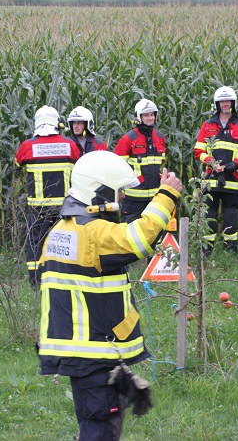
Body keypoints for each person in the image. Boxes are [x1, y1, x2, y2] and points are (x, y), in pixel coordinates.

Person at [37, 150, 183, 441]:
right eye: (116, 191)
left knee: (94, 424)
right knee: (100, 430)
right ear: (99, 191)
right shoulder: (94, 233)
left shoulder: (63, 229)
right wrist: (167, 195)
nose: (120, 198)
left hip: (82, 352)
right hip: (94, 353)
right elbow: (138, 239)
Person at [14, 105, 81, 288]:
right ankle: (65, 277)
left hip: (38, 207)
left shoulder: (28, 146)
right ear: (57, 123)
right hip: (65, 207)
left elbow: (17, 162)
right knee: (66, 242)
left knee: (35, 242)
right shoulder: (69, 145)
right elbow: (78, 165)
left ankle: (36, 281)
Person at [193, 86, 238, 253]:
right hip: (211, 178)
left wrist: (235, 164)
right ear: (217, 104)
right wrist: (211, 162)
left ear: (233, 103)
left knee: (231, 217)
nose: (225, 104)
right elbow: (199, 150)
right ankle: (206, 251)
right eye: (222, 102)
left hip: (232, 179)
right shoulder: (208, 125)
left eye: (228, 101)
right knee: (209, 216)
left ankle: (230, 251)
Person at [113, 99, 167, 223]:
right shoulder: (128, 139)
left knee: (154, 233)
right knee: (130, 235)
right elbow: (117, 167)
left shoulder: (159, 137)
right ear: (139, 117)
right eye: (146, 115)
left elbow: (161, 163)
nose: (150, 118)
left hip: (154, 198)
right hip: (133, 199)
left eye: (152, 114)